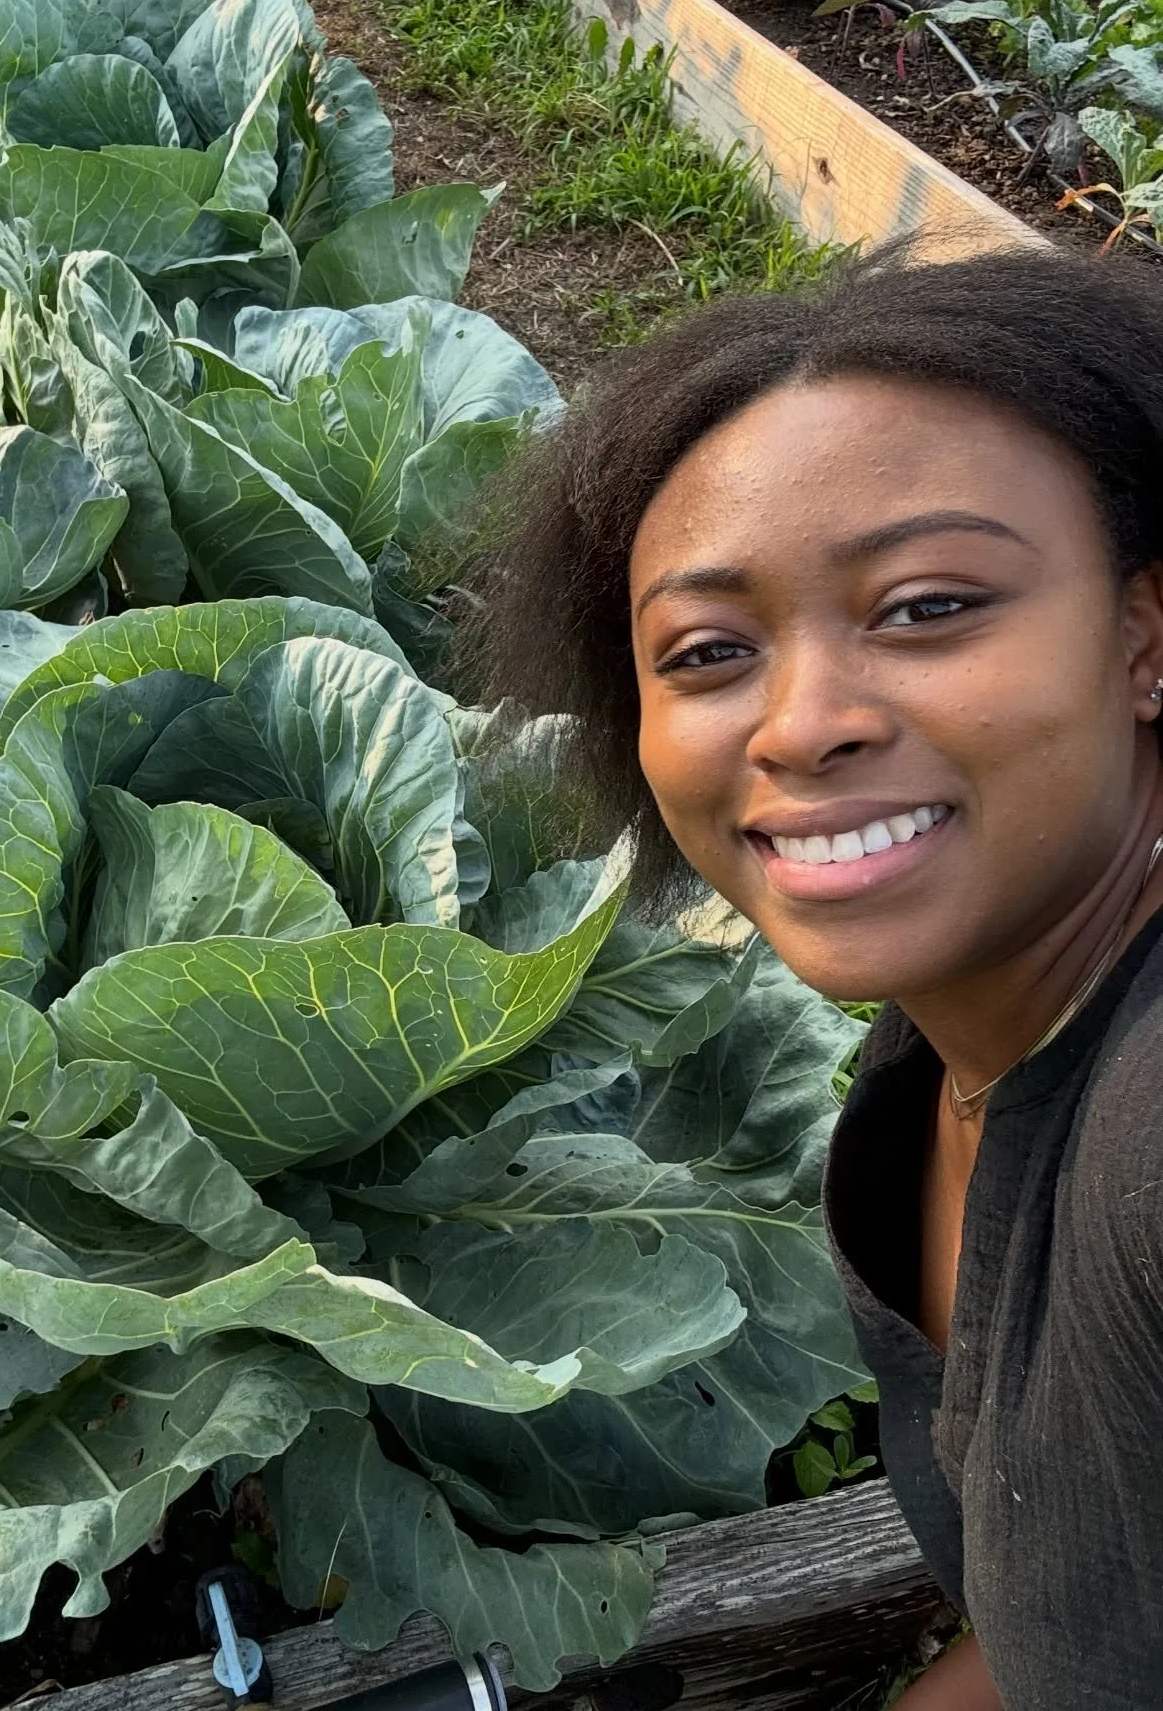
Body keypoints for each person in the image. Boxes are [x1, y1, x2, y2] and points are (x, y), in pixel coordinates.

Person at [473, 245, 1163, 1709]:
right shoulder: (955, 1029)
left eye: (925, 607)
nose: (802, 726)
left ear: (1143, 632)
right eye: (710, 651)